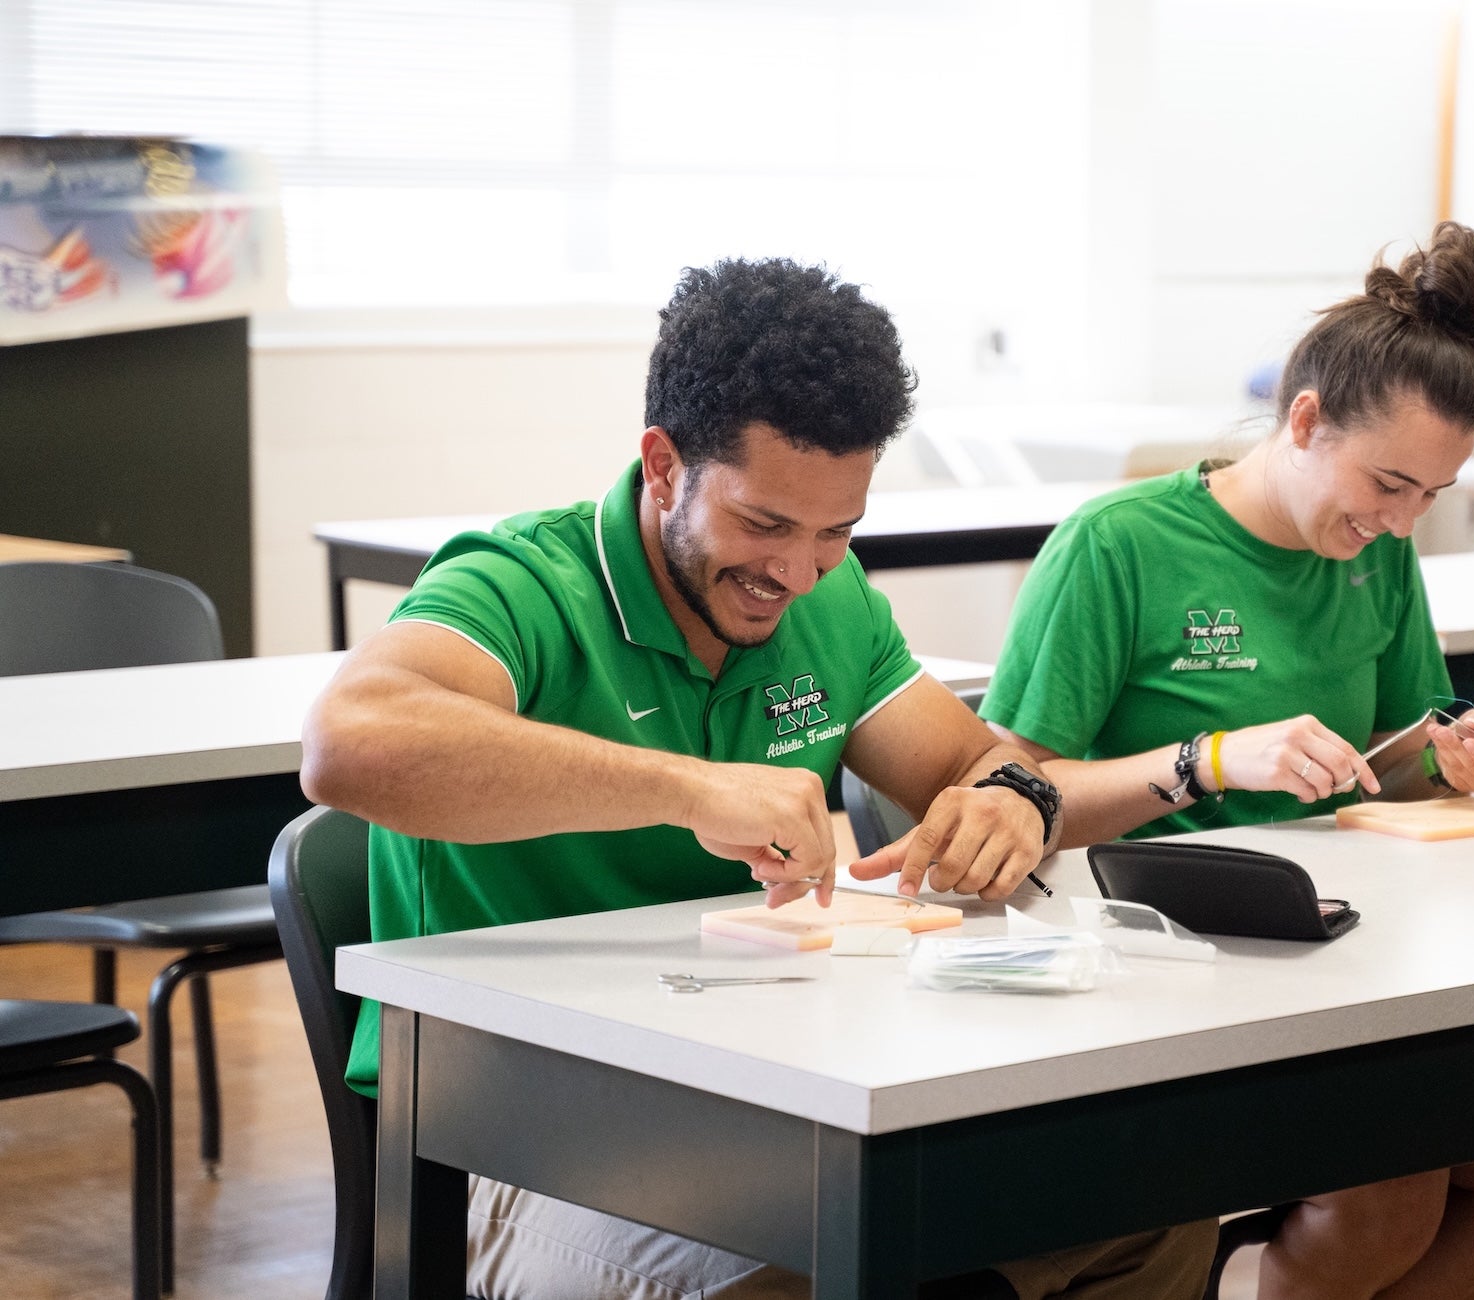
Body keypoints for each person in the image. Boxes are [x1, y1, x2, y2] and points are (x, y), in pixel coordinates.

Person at [302, 257, 1215, 1300]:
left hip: (770, 1088)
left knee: (1144, 1211)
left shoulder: (828, 602)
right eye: (764, 524)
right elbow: (350, 741)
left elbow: (973, 759)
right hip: (511, 1140)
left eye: (837, 530)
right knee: (819, 1261)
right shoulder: (522, 583)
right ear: (661, 466)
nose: (796, 571)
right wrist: (687, 786)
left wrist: (1015, 796)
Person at [981, 222, 1474, 1300]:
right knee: (1391, 1190)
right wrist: (1210, 759)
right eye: (1386, 482)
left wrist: (1455, 758)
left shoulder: (1378, 556)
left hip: (1339, 945)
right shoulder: (1118, 545)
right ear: (1303, 420)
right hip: (1157, 960)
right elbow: (1011, 799)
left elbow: (1400, 756)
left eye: (1430, 495)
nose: (1397, 519)